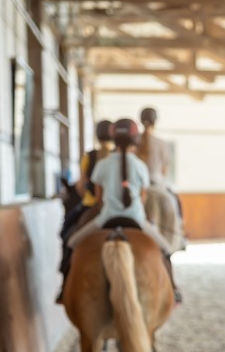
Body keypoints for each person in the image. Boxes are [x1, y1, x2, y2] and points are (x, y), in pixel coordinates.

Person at [63, 118, 181, 302]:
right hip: (137, 220)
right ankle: (173, 290)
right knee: (165, 249)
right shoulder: (140, 166)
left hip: (106, 219)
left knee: (71, 243)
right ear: (135, 142)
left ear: (114, 140)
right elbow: (142, 198)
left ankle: (64, 289)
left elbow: (99, 199)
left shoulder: (102, 165)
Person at [57, 119, 114, 303]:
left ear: (97, 135)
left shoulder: (89, 156)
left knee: (66, 233)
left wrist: (85, 196)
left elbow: (81, 185)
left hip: (91, 204)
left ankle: (65, 282)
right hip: (115, 206)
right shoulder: (118, 156)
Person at [137, 107, 186, 252]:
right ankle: (180, 237)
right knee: (176, 203)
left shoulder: (135, 143)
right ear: (155, 122)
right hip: (157, 186)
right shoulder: (161, 143)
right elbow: (164, 171)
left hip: (140, 188)